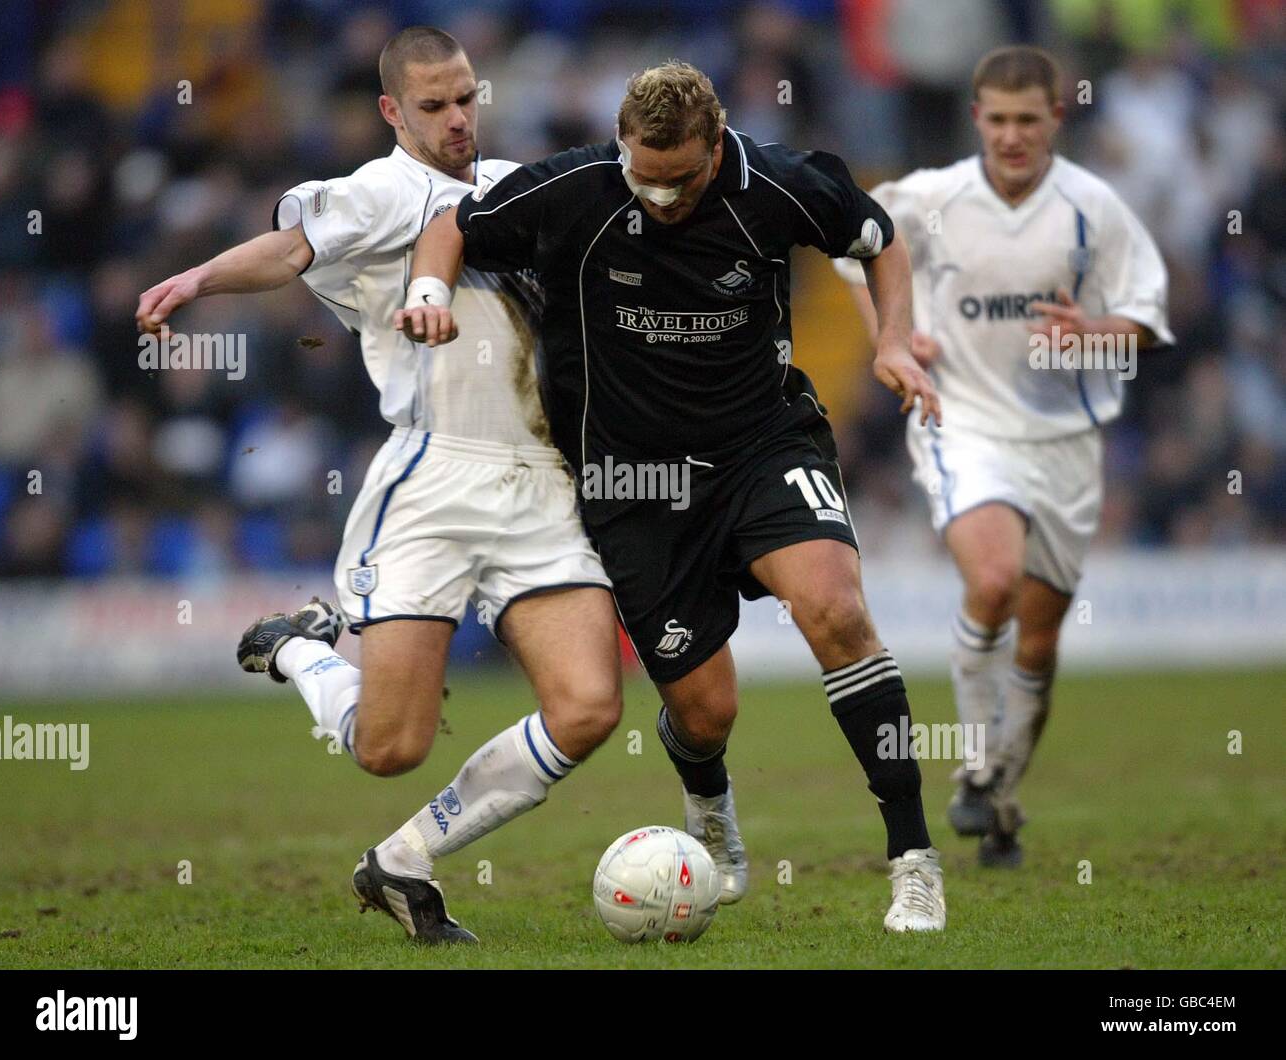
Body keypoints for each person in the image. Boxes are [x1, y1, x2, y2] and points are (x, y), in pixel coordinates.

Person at [398, 61, 948, 931]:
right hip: (631, 484)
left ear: (717, 145)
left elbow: (878, 239)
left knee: (835, 611)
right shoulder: (574, 190)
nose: (657, 199)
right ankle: (710, 804)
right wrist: (430, 292)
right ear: (621, 148)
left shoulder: (777, 185)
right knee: (705, 709)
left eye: (679, 181)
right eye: (641, 178)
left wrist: (895, 343)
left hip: (760, 445)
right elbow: (449, 227)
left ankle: (913, 859)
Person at [134, 26, 622, 943]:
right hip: (432, 480)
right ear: (394, 111)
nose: (457, 121)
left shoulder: (521, 188)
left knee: (590, 708)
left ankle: (403, 859)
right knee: (388, 748)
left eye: (467, 99)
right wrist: (196, 278)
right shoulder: (382, 191)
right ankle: (300, 651)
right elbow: (288, 252)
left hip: (540, 482)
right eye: (433, 107)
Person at [838, 46, 1173, 867]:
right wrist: (892, 331)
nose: (1013, 135)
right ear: (977, 117)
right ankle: (976, 769)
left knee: (1038, 643)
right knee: (991, 581)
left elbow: (1147, 319)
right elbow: (852, 245)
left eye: (1030, 120)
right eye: (999, 119)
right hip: (965, 423)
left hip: (1064, 444)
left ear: (1057, 117)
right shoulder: (933, 195)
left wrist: (1093, 333)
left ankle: (1001, 797)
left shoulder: (1094, 208)